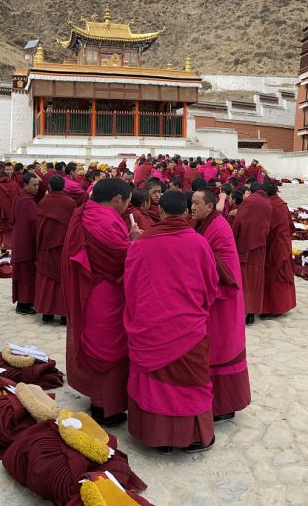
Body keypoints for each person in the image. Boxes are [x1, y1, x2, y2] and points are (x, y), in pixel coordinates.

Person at [124, 190, 218, 454]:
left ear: (161, 212)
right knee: (192, 383)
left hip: (152, 326)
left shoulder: (142, 244)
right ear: (186, 212)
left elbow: (130, 287)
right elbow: (211, 285)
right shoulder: (199, 243)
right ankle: (195, 437)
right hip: (189, 326)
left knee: (155, 384)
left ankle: (160, 438)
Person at [63, 178, 141, 426]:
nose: (127, 207)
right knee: (108, 349)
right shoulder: (103, 219)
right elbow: (120, 255)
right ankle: (105, 407)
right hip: (104, 293)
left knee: (101, 344)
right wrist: (135, 242)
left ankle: (104, 402)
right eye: (127, 202)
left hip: (96, 289)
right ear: (117, 199)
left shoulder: (87, 210)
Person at [190, 188, 252, 422]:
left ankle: (225, 404)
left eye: (197, 203)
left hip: (223, 296)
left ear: (210, 206)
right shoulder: (202, 223)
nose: (192, 207)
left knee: (221, 348)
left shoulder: (218, 227)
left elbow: (222, 266)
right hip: (212, 297)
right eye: (191, 203)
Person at [35, 175, 78, 324]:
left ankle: (47, 313)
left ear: (50, 187)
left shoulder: (44, 202)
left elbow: (39, 226)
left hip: (46, 246)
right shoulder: (71, 203)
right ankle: (64, 315)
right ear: (63, 187)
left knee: (47, 279)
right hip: (65, 246)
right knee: (64, 279)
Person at [231, 182, 272, 324]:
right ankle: (251, 313)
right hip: (260, 244)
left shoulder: (249, 201)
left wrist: (234, 238)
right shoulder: (267, 202)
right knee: (255, 279)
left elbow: (239, 221)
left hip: (246, 244)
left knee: (245, 279)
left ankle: (244, 310)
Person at [262, 183, 297, 316]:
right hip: (283, 243)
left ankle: (274, 308)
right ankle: (284, 305)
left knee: (274, 273)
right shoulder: (281, 204)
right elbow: (291, 226)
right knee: (281, 272)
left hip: (274, 244)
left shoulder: (269, 205)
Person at [12, 173, 40, 314]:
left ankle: (27, 302)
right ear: (25, 185)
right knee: (25, 272)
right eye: (34, 185)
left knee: (26, 271)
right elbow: (32, 222)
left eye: (37, 185)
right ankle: (23, 304)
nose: (36, 188)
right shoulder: (26, 201)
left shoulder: (24, 197)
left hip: (22, 239)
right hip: (25, 241)